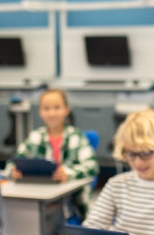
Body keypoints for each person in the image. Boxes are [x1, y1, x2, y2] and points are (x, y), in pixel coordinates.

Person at [7, 88, 99, 218]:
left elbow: (92, 166)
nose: (51, 113)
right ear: (40, 112)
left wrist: (68, 173)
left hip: (70, 200)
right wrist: (13, 171)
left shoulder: (76, 137)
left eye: (57, 108)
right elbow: (13, 163)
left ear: (67, 110)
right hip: (37, 194)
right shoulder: (35, 137)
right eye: (46, 108)